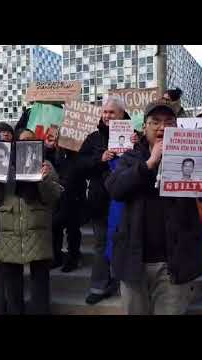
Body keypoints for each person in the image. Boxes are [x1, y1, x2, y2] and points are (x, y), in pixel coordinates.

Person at [105, 99, 202, 315]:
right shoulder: (131, 157)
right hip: (134, 262)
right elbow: (115, 189)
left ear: (177, 127)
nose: (162, 127)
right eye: (155, 122)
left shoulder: (193, 154)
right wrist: (149, 164)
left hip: (175, 263)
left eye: (168, 122)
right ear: (144, 127)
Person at [0, 130, 62, 315]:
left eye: (30, 140)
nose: (25, 143)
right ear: (15, 143)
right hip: (10, 232)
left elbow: (54, 196)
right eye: (22, 140)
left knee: (40, 283)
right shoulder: (3, 165)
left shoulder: (45, 164)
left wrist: (45, 178)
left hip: (37, 230)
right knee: (12, 285)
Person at [78, 95, 131, 305]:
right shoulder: (92, 138)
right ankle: (98, 286)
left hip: (126, 200)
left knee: (126, 243)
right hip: (100, 202)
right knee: (101, 244)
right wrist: (99, 159)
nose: (107, 116)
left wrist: (135, 148)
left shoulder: (134, 136)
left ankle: (122, 283)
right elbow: (79, 165)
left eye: (112, 112)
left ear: (122, 115)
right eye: (105, 112)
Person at [45, 128, 88, 272]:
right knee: (56, 227)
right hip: (60, 198)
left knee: (72, 230)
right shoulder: (56, 155)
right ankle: (58, 257)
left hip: (74, 199)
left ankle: (72, 259)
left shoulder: (77, 156)